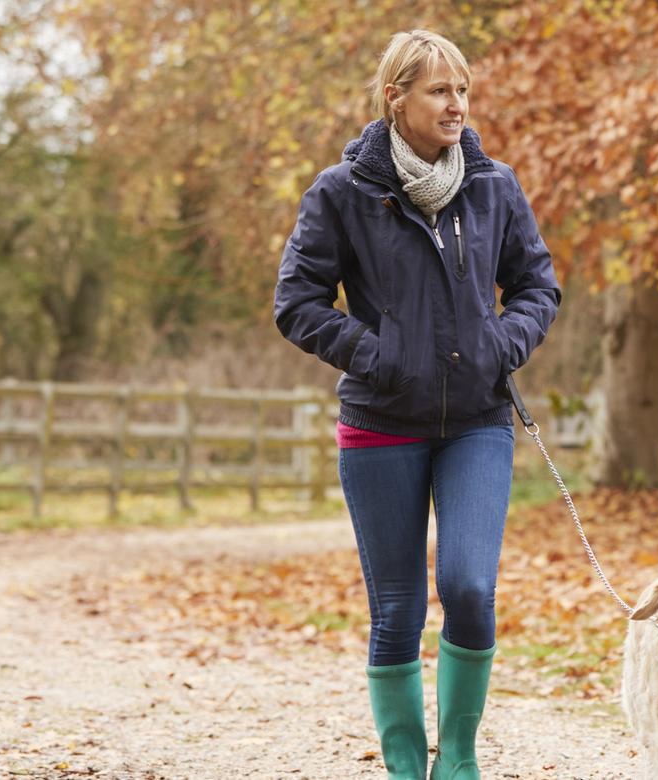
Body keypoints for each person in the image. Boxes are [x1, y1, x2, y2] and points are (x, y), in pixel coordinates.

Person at [273, 29, 560, 780]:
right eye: (440, 91)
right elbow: (296, 301)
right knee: (396, 610)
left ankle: (457, 759)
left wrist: (503, 344)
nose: (457, 105)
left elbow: (538, 286)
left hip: (476, 422)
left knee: (468, 584)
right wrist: (376, 355)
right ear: (395, 99)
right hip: (379, 425)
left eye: (463, 90)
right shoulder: (343, 192)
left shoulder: (494, 187)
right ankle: (407, 768)